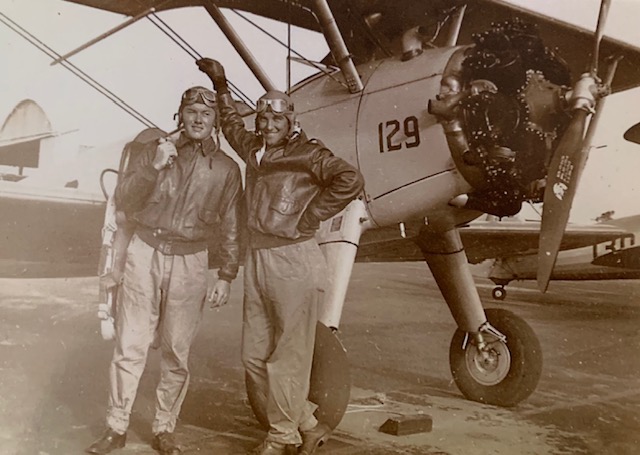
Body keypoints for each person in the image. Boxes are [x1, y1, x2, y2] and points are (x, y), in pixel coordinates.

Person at [197, 58, 365, 455]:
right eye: (264, 119)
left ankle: (283, 436)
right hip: (258, 259)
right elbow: (232, 124)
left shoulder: (309, 153)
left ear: (291, 122)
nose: (269, 126)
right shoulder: (255, 150)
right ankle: (307, 422)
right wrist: (221, 84)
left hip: (294, 259)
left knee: (288, 357)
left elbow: (350, 180)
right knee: (254, 356)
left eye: (277, 120)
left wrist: (310, 215)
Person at [86, 86, 243, 455]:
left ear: (216, 120)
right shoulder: (155, 152)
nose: (199, 119)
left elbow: (233, 225)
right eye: (191, 112)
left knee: (176, 350)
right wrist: (154, 165)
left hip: (192, 260)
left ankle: (164, 428)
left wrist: (227, 274)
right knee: (131, 344)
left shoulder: (226, 169)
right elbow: (124, 199)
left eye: (206, 114)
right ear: (181, 116)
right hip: (146, 250)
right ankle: (116, 426)